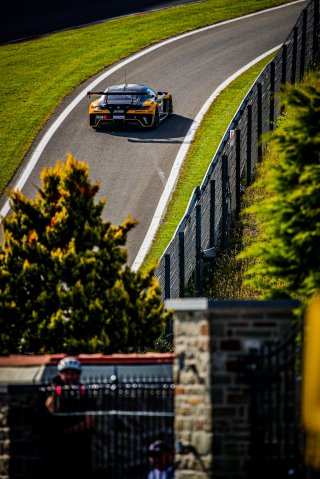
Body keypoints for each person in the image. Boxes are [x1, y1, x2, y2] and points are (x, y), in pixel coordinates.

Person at [43, 356, 94, 479]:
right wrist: (55, 392)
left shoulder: (84, 393)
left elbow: (90, 420)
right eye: (66, 373)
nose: (70, 377)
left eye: (73, 373)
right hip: (57, 445)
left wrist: (69, 431)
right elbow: (51, 409)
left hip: (80, 443)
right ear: (60, 374)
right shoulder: (55, 391)